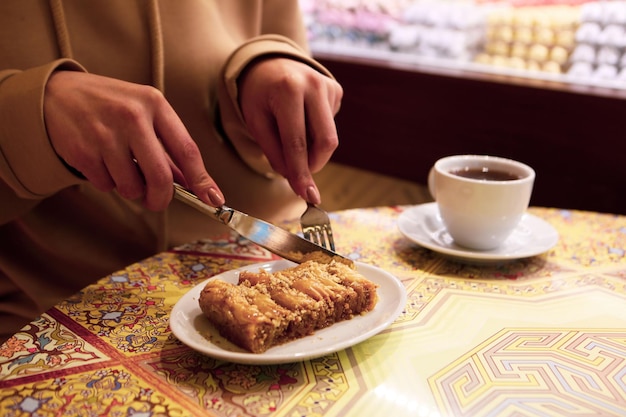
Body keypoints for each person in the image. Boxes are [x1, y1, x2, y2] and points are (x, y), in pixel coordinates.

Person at [0, 1, 343, 340]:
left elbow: (279, 36)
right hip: (49, 304)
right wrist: (30, 112)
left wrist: (266, 64)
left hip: (253, 255)